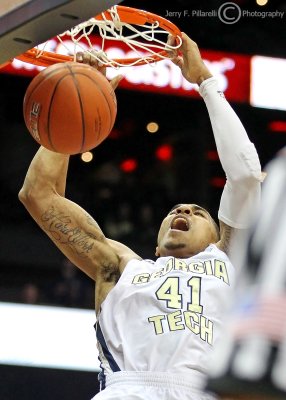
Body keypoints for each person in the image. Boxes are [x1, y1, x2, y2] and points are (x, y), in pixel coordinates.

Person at [18, 33, 264, 400]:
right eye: (176, 210)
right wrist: (73, 108)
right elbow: (38, 194)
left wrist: (205, 81)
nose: (183, 210)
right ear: (157, 243)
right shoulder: (120, 266)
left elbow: (244, 175)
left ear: (217, 236)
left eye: (198, 213)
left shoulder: (227, 260)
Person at [206, 147, 286, 400]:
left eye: (198, 212)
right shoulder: (138, 268)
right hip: (249, 355)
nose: (184, 212)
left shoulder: (221, 257)